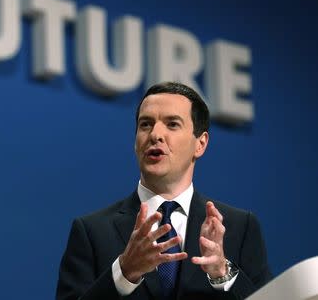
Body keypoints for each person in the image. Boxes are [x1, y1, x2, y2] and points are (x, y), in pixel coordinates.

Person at [56, 82, 271, 300]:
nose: (155, 134)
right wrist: (123, 273)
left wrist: (223, 274)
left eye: (172, 124)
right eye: (146, 124)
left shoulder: (239, 227)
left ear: (201, 144)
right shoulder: (92, 231)